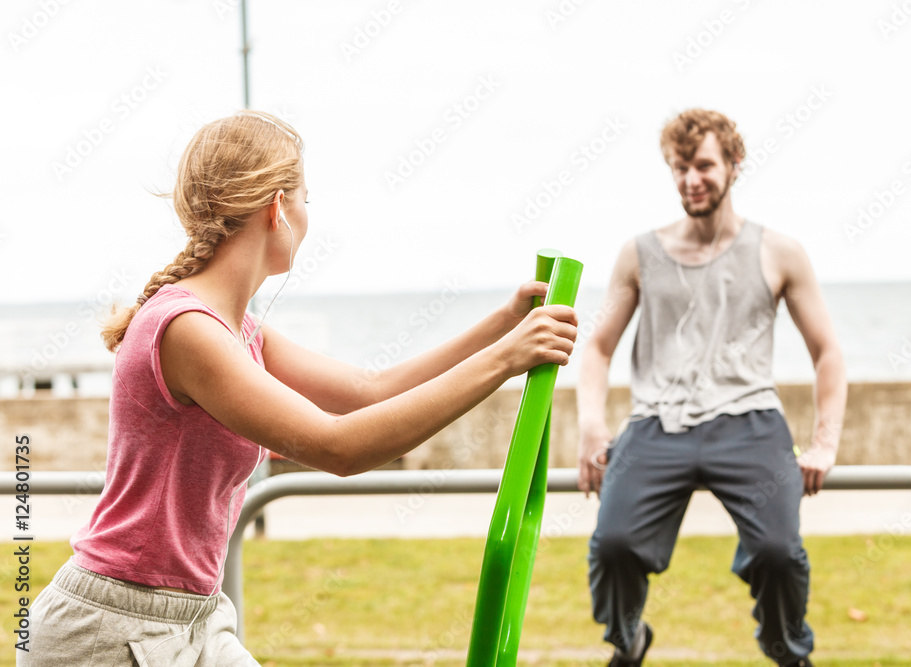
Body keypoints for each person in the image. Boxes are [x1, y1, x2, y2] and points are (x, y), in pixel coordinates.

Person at [21, 110, 577, 666]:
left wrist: (501, 326)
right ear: (276, 209)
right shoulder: (187, 330)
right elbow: (340, 446)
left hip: (192, 618)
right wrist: (506, 359)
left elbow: (368, 391)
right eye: (307, 199)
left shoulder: (238, 330)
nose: (309, 217)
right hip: (111, 630)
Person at [576, 108, 846, 666]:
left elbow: (828, 352)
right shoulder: (639, 254)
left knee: (777, 553)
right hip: (656, 424)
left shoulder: (779, 252)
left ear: (734, 165)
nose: (690, 179)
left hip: (749, 423)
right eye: (679, 168)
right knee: (613, 546)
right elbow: (598, 346)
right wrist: (591, 427)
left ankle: (787, 652)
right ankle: (628, 641)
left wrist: (824, 443)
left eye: (702, 165)